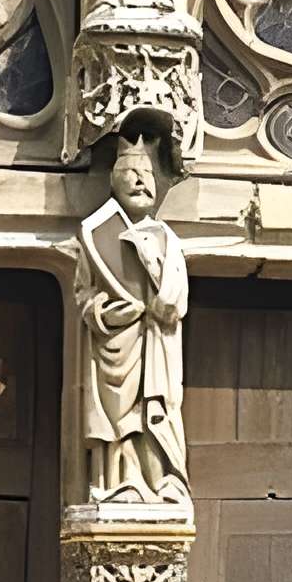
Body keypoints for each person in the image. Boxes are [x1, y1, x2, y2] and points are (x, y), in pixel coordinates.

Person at [75, 131, 187, 504]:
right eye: (132, 171)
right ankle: (119, 484)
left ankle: (162, 483)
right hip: (114, 348)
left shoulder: (167, 241)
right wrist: (104, 313)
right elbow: (83, 294)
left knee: (154, 415)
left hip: (156, 345)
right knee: (118, 422)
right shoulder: (95, 233)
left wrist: (151, 263)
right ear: (112, 178)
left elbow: (174, 302)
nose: (141, 180)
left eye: (148, 173)